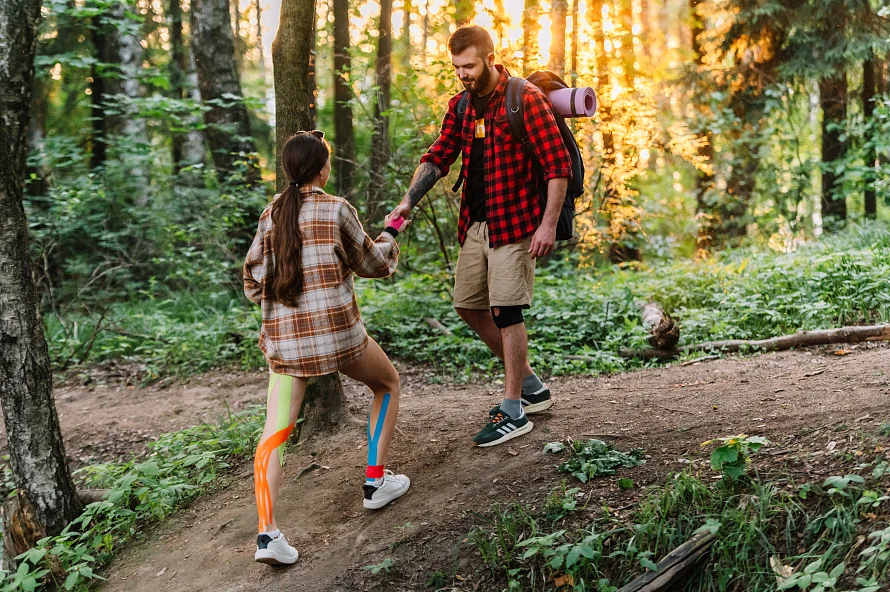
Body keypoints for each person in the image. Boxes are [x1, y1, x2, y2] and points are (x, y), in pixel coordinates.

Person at [388, 26, 572, 448]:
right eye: (456, 67)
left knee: (507, 310)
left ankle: (512, 409)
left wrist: (547, 225)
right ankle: (532, 387)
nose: (462, 74)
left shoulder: (525, 98)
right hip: (476, 223)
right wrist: (407, 202)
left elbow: (557, 164)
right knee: (468, 305)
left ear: (490, 58)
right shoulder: (462, 105)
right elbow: (439, 156)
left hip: (516, 223)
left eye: (469, 66)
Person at [243, 130, 411, 566]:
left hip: (288, 346)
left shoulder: (270, 216)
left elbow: (250, 282)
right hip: (339, 337)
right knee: (387, 383)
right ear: (322, 169)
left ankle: (267, 536)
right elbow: (376, 264)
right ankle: (375, 482)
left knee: (275, 435)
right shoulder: (336, 209)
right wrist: (392, 232)